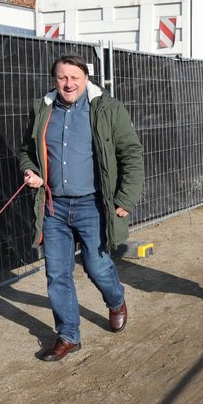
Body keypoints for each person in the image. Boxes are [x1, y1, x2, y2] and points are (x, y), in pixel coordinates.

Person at [19, 54, 145, 362]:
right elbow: (27, 150)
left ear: (85, 79)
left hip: (92, 205)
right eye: (62, 77)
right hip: (53, 207)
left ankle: (116, 300)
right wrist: (29, 170)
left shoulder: (106, 109)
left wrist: (125, 199)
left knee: (97, 266)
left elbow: (131, 153)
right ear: (55, 80)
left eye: (74, 77)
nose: (68, 83)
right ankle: (68, 336)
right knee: (57, 274)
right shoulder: (43, 110)